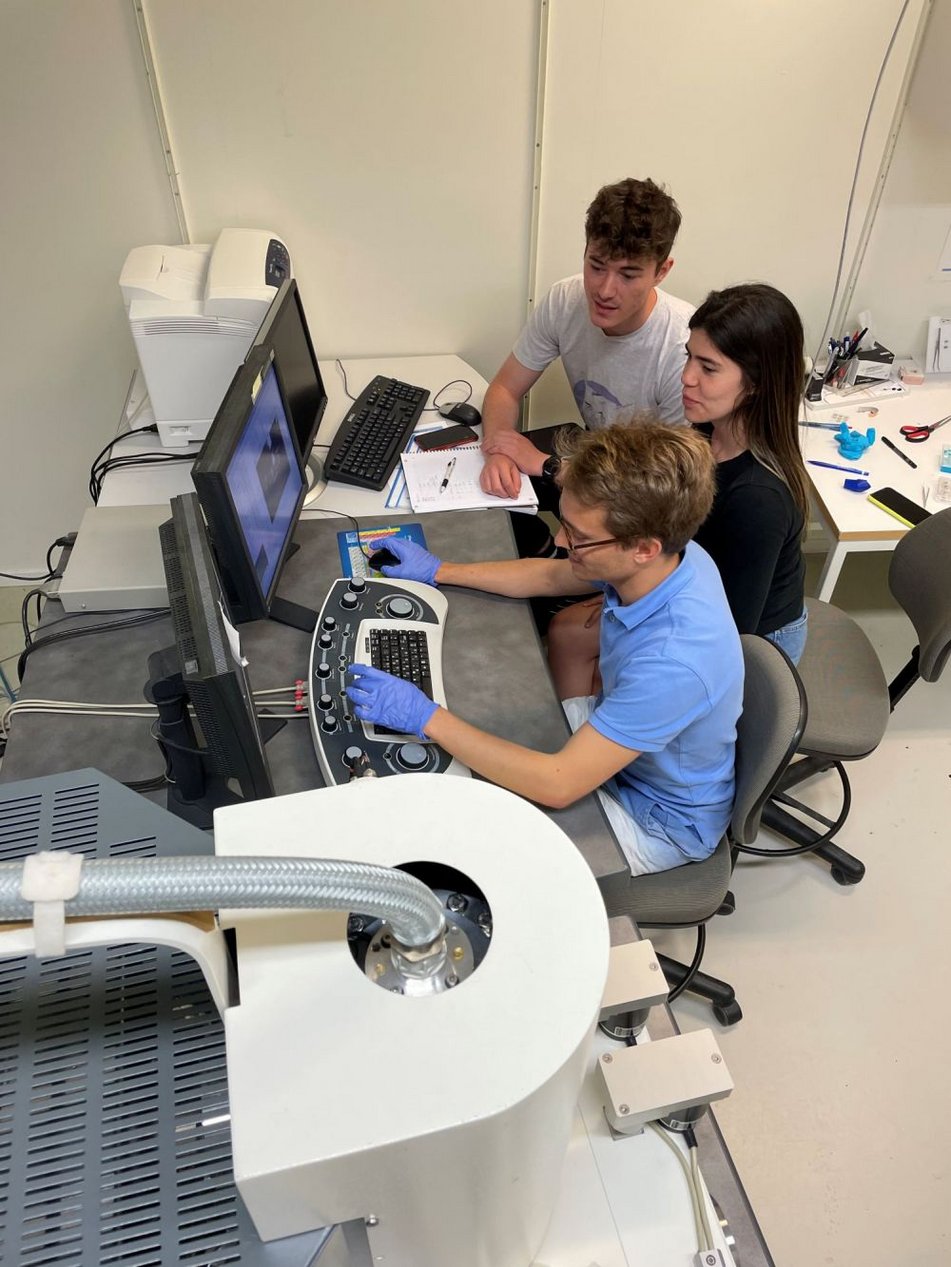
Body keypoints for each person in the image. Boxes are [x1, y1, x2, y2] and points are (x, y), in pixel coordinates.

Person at [346, 422, 744, 878]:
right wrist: (440, 571)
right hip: (623, 756)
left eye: (577, 536)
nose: (559, 542)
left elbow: (558, 785)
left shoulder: (676, 661)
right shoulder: (673, 555)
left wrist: (426, 717)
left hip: (655, 821)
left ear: (643, 548)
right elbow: (550, 577)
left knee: (450, 851)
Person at [547, 283, 810, 701]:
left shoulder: (758, 501)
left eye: (708, 368)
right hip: (692, 588)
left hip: (750, 641)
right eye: (689, 356)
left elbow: (729, 636)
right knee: (570, 633)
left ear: (757, 383)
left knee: (583, 646)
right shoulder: (704, 433)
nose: (686, 377)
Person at [478, 176, 694, 556]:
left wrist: (549, 466)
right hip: (594, 456)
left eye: (628, 275)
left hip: (644, 490)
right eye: (596, 266)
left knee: (551, 582)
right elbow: (504, 389)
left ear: (662, 271)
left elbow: (667, 487)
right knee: (488, 512)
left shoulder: (680, 350)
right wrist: (498, 448)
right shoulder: (565, 300)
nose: (605, 290)